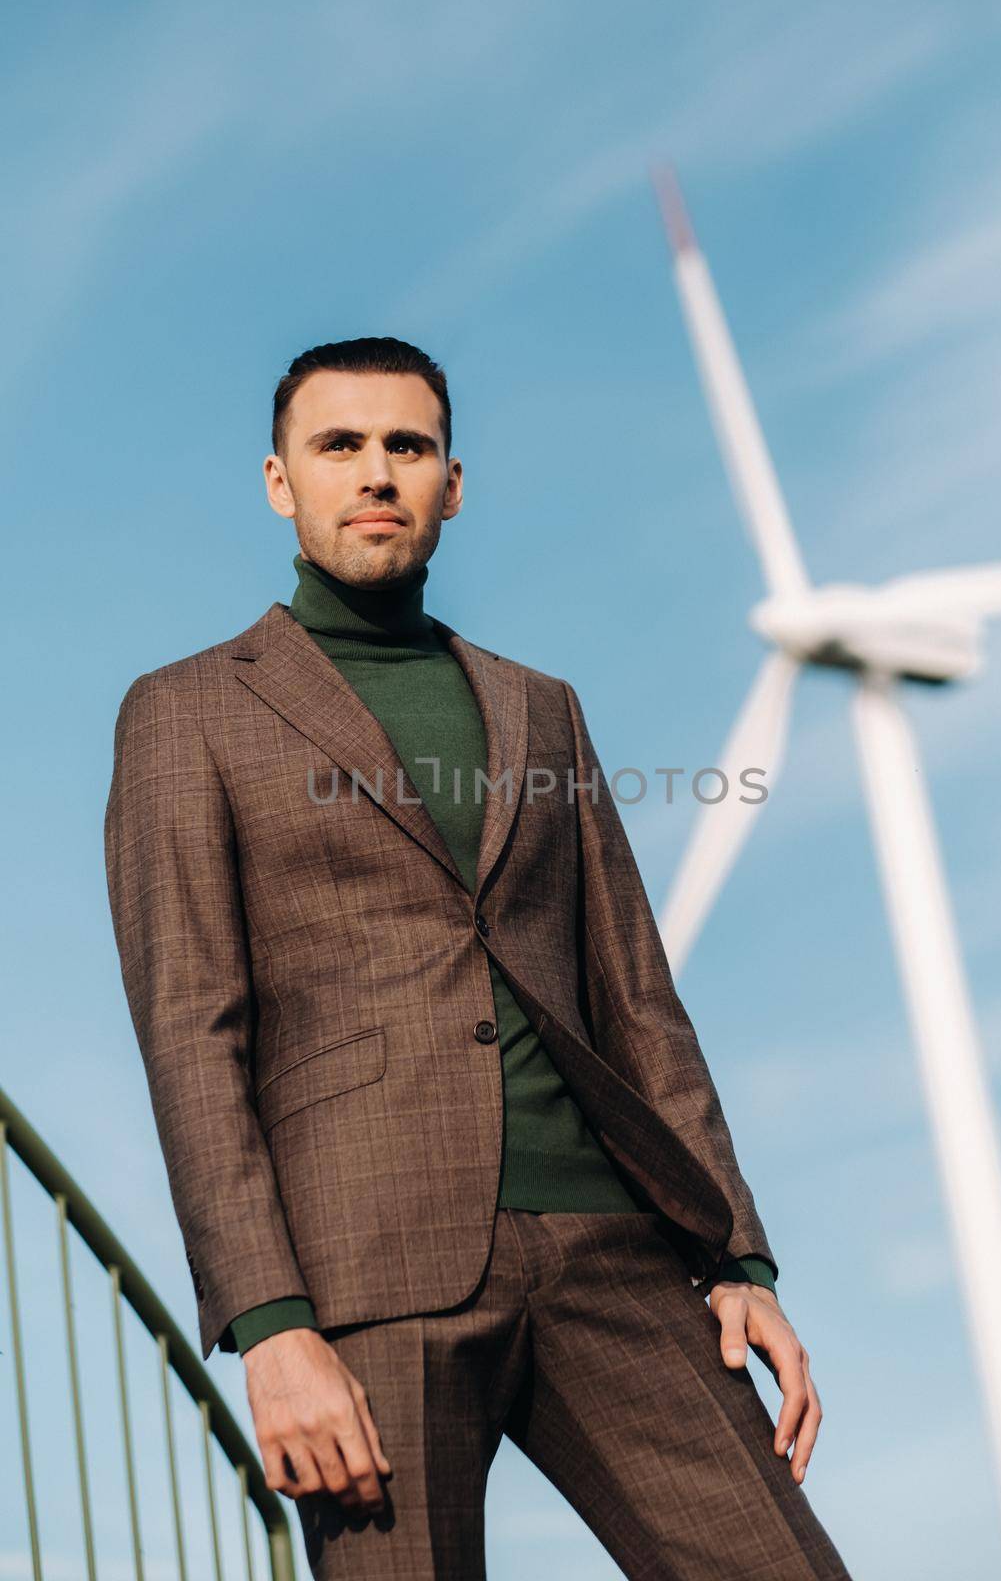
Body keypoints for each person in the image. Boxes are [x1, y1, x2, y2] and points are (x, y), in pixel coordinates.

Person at [103, 337, 852, 1579]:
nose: (376, 472)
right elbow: (191, 1030)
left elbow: (635, 996)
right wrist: (270, 1326)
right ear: (281, 483)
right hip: (363, 1271)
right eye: (339, 446)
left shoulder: (535, 704)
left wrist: (737, 1255)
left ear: (453, 482)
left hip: (614, 1247)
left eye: (407, 446)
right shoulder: (187, 709)